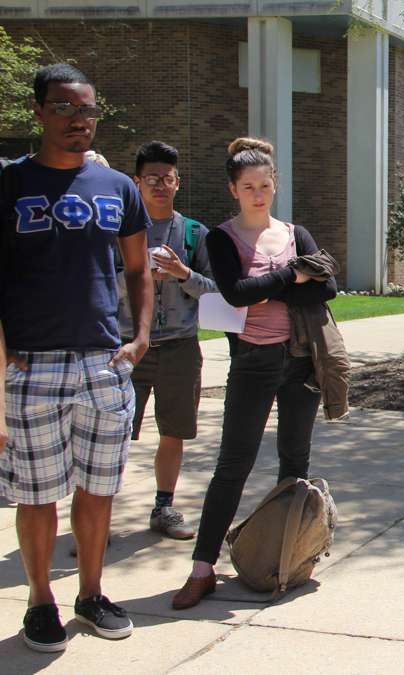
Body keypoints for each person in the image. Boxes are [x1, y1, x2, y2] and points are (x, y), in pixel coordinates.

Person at [0, 63, 152, 651]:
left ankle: (90, 594)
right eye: (63, 108)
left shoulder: (118, 188)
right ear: (38, 112)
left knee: (98, 488)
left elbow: (138, 270)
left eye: (86, 110)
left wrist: (138, 339)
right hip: (30, 363)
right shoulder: (10, 185)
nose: (77, 120)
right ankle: (41, 602)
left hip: (103, 363)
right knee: (38, 494)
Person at [171, 137, 337, 609]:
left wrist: (274, 287)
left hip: (301, 358)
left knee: (294, 465)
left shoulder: (295, 233)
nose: (258, 194)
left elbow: (326, 289)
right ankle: (203, 568)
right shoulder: (221, 238)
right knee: (233, 465)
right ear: (234, 190)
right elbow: (237, 293)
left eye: (265, 185)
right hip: (253, 361)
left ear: (275, 185)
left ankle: (288, 558)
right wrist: (290, 278)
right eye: (249, 187)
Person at [118, 140, 217, 540]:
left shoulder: (194, 233)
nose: (160, 185)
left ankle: (164, 507)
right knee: (113, 435)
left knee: (174, 431)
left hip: (179, 347)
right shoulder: (121, 231)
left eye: (168, 178)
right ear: (137, 182)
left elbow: (216, 290)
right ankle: (97, 516)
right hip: (126, 347)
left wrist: (181, 273)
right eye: (152, 178)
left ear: (178, 182)